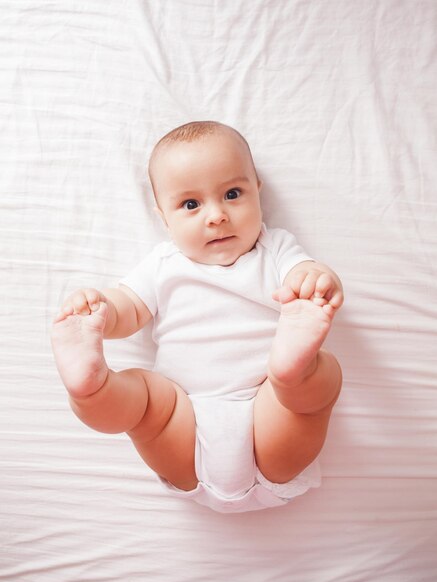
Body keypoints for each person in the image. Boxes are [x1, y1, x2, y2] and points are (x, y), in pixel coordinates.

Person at [51, 121, 343, 513]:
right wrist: (100, 310)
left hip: (266, 412)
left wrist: (314, 282)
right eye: (191, 204)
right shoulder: (163, 264)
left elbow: (302, 273)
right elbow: (129, 307)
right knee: (146, 396)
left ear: (258, 191)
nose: (217, 216)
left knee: (316, 381)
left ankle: (293, 373)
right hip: (184, 421)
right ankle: (93, 390)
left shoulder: (275, 250)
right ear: (164, 218)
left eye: (232, 194)